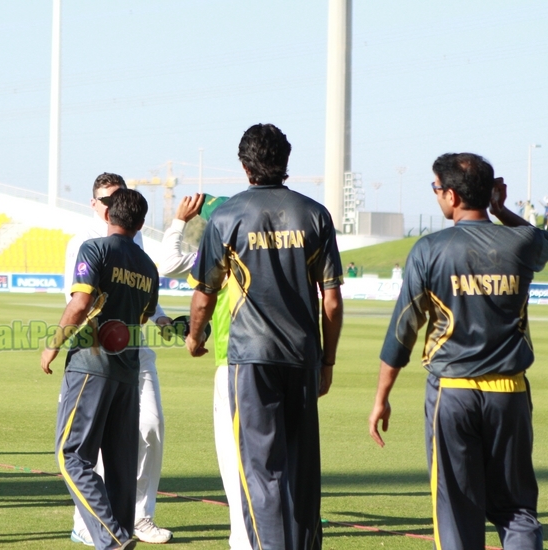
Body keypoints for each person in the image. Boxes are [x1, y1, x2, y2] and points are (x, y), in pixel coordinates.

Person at [368, 153, 546, 549]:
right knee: (517, 511)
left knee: (456, 512)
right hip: (510, 394)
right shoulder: (522, 242)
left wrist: (381, 397)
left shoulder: (430, 249)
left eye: (435, 189)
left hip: (453, 393)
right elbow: (543, 244)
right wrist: (503, 213)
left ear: (450, 195)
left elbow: (403, 332)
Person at [186, 124, 343, 550]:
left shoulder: (226, 215)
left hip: (250, 359)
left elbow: (205, 294)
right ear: (287, 162)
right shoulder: (315, 214)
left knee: (261, 472)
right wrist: (326, 362)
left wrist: (195, 338)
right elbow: (330, 301)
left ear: (244, 165)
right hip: (302, 357)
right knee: (303, 468)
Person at [44, 188, 159, 550]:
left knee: (72, 457)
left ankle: (112, 537)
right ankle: (120, 536)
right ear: (140, 224)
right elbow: (141, 318)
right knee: (121, 467)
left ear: (107, 215)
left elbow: (80, 304)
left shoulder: (95, 248)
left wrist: (53, 344)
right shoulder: (148, 266)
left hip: (90, 366)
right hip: (128, 373)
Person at [156, 192, 250, 550]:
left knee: (235, 455)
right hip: (291, 359)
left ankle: (244, 537)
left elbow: (168, 263)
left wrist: (180, 221)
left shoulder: (217, 253)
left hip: (235, 358)